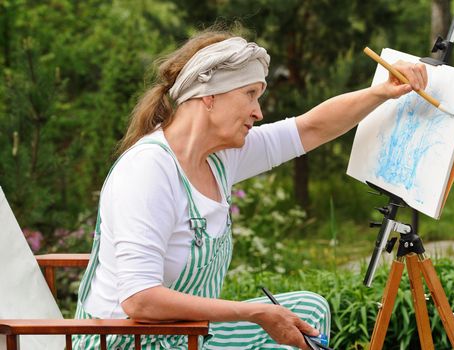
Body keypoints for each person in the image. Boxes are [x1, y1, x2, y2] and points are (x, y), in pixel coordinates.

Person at [72, 30, 427, 350]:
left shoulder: (220, 158)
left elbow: (311, 129)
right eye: (250, 94)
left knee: (307, 312)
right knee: (279, 321)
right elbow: (140, 301)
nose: (258, 111)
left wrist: (382, 92)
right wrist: (254, 313)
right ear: (208, 97)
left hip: (185, 334)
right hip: (130, 340)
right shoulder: (148, 170)